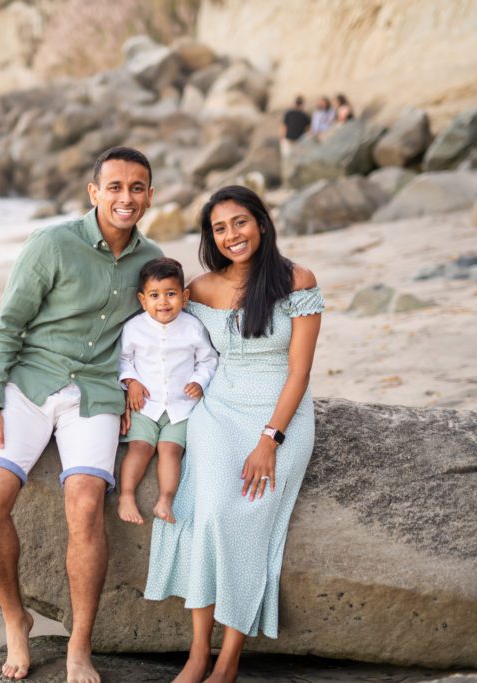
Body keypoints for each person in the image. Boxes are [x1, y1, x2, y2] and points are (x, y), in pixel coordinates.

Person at [0, 146, 163, 683]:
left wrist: (137, 381)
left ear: (150, 195)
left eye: (137, 187)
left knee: (85, 504)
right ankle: (16, 619)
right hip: (31, 383)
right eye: (115, 187)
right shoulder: (51, 244)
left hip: (95, 394)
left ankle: (79, 645)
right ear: (94, 192)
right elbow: (7, 325)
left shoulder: (152, 259)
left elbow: (159, 329)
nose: (126, 197)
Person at [145, 185, 324, 683]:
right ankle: (197, 653)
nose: (231, 235)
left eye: (239, 222)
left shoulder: (297, 281)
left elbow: (300, 372)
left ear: (261, 223)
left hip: (279, 414)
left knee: (242, 519)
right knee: (208, 513)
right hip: (217, 409)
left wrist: (269, 441)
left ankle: (228, 661)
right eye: (219, 228)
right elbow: (165, 342)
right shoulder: (200, 289)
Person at [117, 257, 218, 526]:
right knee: (139, 448)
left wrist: (199, 380)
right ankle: (126, 495)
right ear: (142, 300)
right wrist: (131, 381)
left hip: (181, 408)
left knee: (170, 450)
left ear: (184, 297)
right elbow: (123, 360)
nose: (163, 302)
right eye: (154, 295)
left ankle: (165, 500)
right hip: (145, 406)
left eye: (171, 294)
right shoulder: (134, 328)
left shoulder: (193, 327)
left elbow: (208, 360)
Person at [279, 95, 311, 188]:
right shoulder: (304, 115)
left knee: (287, 162)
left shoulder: (290, 113)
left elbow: (283, 126)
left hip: (290, 140)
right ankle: (292, 183)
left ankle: (288, 183)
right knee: (293, 162)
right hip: (297, 141)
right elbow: (308, 130)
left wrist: (282, 138)